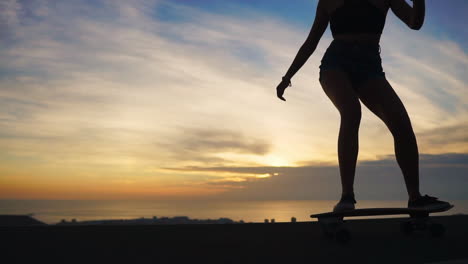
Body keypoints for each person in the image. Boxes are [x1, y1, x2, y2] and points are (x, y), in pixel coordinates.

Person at [276, 0, 451, 212]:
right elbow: (311, 42)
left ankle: (415, 197)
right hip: (335, 64)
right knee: (351, 112)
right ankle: (346, 196)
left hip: (370, 68)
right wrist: (287, 77)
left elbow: (414, 23)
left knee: (402, 125)